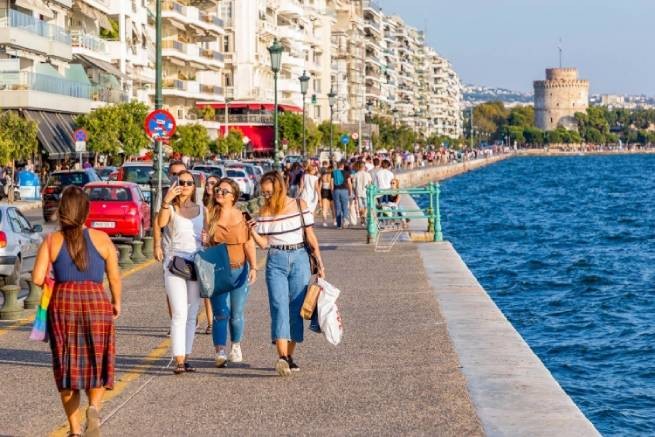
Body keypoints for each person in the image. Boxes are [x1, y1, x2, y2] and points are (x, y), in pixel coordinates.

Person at [32, 186, 121, 437]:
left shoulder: (51, 240)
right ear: (86, 211)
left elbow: (38, 278)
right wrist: (116, 303)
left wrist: (55, 280)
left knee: (66, 362)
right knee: (97, 358)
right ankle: (93, 407)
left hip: (63, 303)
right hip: (96, 301)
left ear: (62, 211)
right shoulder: (102, 239)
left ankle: (75, 429)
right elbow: (114, 277)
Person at [249, 171, 325, 376]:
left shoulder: (300, 205)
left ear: (279, 188)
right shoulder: (264, 212)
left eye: (268, 192)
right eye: (263, 193)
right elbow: (265, 244)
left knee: (296, 308)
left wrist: (319, 263)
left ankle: (289, 356)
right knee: (278, 306)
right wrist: (253, 232)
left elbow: (310, 236)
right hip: (276, 260)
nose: (265, 196)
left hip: (300, 257)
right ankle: (281, 357)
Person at [204, 178, 257, 367]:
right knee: (220, 313)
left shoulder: (243, 216)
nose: (219, 192)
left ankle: (235, 345)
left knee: (236, 313)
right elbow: (205, 245)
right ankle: (220, 351)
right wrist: (205, 239)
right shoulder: (209, 215)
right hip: (216, 270)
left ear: (233, 196)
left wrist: (254, 267)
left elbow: (249, 243)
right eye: (218, 189)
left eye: (224, 191)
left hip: (239, 270)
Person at [157, 170, 203, 374]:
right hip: (175, 262)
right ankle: (179, 360)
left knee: (193, 313)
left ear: (194, 187)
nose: (184, 186)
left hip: (197, 263)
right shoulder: (171, 208)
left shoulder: (203, 210)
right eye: (181, 182)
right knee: (179, 313)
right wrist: (166, 200)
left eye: (189, 182)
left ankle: (187, 355)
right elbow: (160, 223)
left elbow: (207, 235)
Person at [154, 160, 187, 329]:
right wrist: (157, 245)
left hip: (191, 250)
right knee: (171, 290)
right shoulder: (165, 193)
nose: (177, 177)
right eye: (173, 173)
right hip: (170, 249)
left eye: (181, 173)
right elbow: (157, 221)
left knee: (190, 290)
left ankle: (189, 319)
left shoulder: (194, 192)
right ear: (169, 175)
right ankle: (175, 322)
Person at [200, 175, 220, 335]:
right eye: (208, 183)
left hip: (220, 250)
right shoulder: (201, 205)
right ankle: (210, 322)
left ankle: (221, 318)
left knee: (220, 289)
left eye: (213, 183)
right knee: (207, 289)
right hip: (205, 249)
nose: (209, 185)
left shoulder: (223, 207)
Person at [331, 160, 352, 229]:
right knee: (345, 207)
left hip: (336, 190)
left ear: (337, 165)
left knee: (337, 208)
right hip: (344, 190)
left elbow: (331, 183)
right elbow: (349, 183)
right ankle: (345, 220)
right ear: (343, 166)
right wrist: (350, 191)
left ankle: (339, 225)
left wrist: (332, 191)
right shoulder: (346, 173)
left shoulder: (333, 172)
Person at [353, 161, 372, 225]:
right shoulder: (368, 174)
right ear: (364, 166)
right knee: (367, 206)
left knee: (360, 207)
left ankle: (362, 220)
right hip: (366, 192)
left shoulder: (355, 174)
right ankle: (364, 216)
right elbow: (370, 183)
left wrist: (354, 192)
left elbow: (354, 185)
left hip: (358, 192)